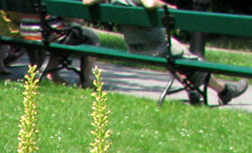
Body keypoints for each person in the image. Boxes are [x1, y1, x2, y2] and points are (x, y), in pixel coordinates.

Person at [82, 0, 247, 104]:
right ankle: (225, 90)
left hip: (134, 48)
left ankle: (194, 90)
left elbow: (86, 2)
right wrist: (168, 6)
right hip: (157, 47)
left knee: (178, 58)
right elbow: (151, 4)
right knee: (192, 61)